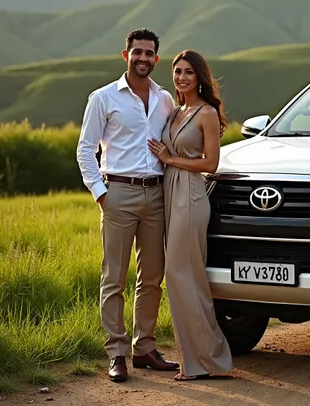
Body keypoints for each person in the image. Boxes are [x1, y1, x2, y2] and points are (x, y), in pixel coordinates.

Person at [76, 28, 180, 383]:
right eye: (137, 52)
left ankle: (145, 348)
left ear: (156, 59)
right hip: (118, 192)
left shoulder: (165, 99)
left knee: (152, 277)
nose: (142, 58)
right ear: (126, 56)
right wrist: (101, 193)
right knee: (114, 277)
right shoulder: (103, 98)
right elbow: (85, 149)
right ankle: (116, 352)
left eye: (149, 53)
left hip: (157, 194)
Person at [147, 49, 234, 381]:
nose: (181, 77)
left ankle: (205, 362)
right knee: (183, 278)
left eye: (188, 72)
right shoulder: (177, 110)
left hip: (190, 194)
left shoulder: (206, 113)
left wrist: (171, 159)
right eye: (177, 71)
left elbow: (211, 164)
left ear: (200, 77)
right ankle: (201, 360)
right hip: (170, 192)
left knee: (183, 276)